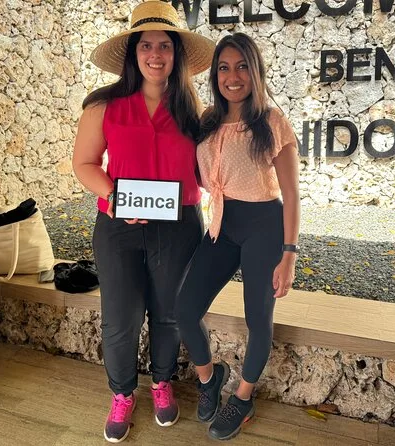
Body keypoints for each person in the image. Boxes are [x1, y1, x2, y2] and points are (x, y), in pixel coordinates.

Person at [71, 2, 215, 443]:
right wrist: (114, 196)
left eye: (165, 46)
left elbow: (209, 172)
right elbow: (84, 164)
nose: (156, 55)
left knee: (169, 314)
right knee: (120, 318)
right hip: (119, 228)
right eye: (146, 45)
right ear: (134, 52)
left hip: (179, 226)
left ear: (177, 54)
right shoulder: (103, 106)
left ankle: (162, 382)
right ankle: (122, 393)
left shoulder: (194, 111)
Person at [176, 32, 301, 441]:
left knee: (257, 319)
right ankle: (210, 377)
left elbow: (292, 194)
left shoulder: (272, 122)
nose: (233, 77)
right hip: (222, 225)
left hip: (264, 226)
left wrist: (289, 254)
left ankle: (243, 397)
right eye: (224, 68)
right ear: (215, 75)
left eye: (242, 67)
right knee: (184, 309)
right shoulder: (207, 121)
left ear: (256, 71)